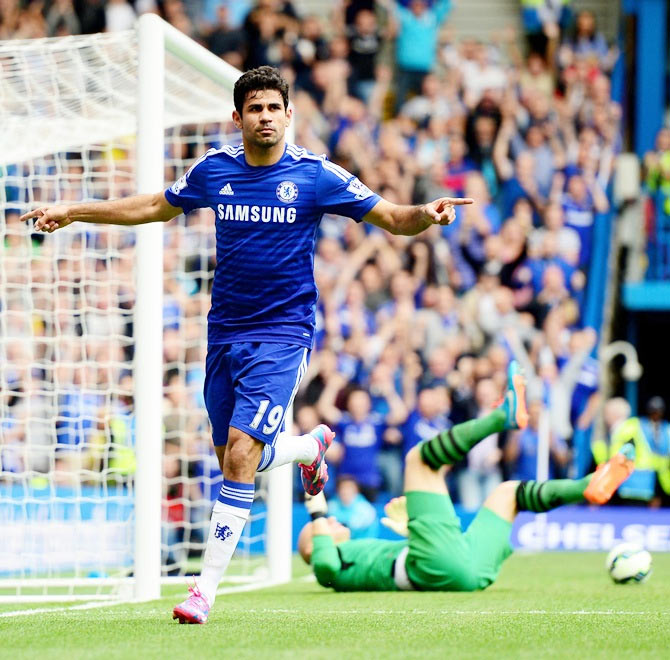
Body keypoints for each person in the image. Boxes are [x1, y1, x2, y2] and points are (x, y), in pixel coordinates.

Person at [20, 66, 473, 623]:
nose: (264, 117)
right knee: (237, 460)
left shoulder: (316, 175)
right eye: (254, 109)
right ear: (238, 118)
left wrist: (426, 216)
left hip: (284, 333)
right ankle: (308, 449)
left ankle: (202, 592)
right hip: (225, 331)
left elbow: (390, 217)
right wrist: (73, 209)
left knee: (240, 454)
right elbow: (154, 207)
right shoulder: (214, 169)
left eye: (273, 108)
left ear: (289, 115)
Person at [298, 362, 635, 593]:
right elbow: (323, 565)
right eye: (321, 531)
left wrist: (412, 531)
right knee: (417, 460)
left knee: (509, 493)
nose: (329, 526)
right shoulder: (331, 567)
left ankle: (586, 486)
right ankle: (499, 417)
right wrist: (316, 508)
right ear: (315, 544)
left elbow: (381, 562)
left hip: (464, 569)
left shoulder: (354, 555)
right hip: (434, 567)